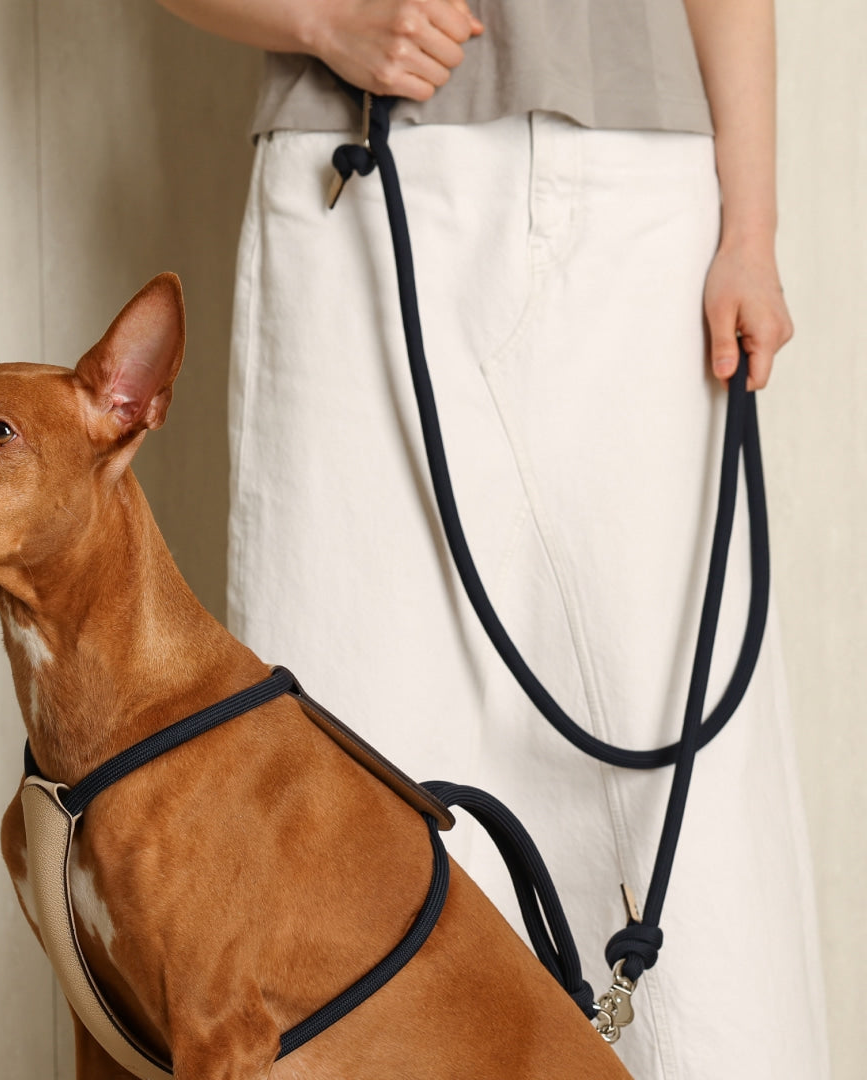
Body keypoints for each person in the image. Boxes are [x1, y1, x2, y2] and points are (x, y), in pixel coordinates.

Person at [157, 1, 829, 1075]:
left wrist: (750, 232)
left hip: (647, 187)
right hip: (363, 176)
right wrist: (322, 17)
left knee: (679, 764)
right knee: (352, 739)